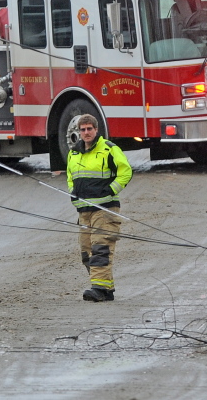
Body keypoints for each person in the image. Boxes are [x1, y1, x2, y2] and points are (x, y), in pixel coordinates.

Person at [66, 114, 133, 302]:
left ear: (96, 130)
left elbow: (126, 171)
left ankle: (98, 289)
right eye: (83, 129)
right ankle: (106, 288)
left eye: (89, 129)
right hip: (83, 211)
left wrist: (111, 189)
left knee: (100, 249)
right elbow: (71, 176)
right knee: (86, 252)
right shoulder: (74, 152)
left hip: (105, 209)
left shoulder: (109, 149)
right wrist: (73, 191)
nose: (86, 133)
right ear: (79, 132)